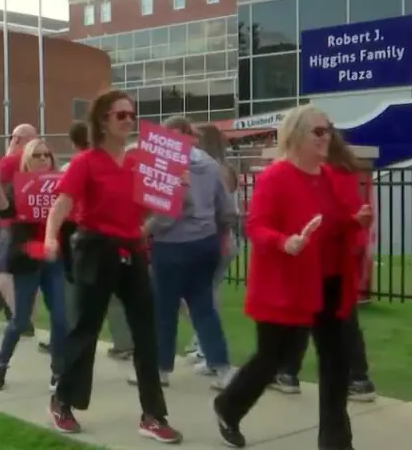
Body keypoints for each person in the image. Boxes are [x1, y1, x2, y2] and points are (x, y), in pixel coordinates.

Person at [213, 105, 372, 449]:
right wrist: (285, 242)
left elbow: (330, 224)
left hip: (329, 282)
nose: (326, 136)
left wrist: (353, 221)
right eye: (318, 131)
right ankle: (228, 406)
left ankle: (335, 441)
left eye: (328, 129)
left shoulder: (328, 176)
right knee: (272, 359)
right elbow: (255, 226)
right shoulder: (275, 177)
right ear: (296, 135)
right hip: (288, 286)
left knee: (336, 361)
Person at [42, 89, 181, 443]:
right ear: (103, 121)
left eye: (132, 115)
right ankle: (62, 401)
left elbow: (149, 211)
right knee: (86, 329)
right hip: (95, 247)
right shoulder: (86, 162)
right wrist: (50, 238)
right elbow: (62, 204)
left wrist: (172, 190)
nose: (129, 121)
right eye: (121, 115)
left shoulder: (138, 164)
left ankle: (153, 414)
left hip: (132, 250)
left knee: (146, 332)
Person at [272, 131, 377, 402]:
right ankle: (358, 377)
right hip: (342, 253)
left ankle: (289, 372)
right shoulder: (344, 171)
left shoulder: (322, 174)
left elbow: (323, 217)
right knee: (340, 317)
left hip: (322, 254)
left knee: (305, 316)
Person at [137, 116, 236, 390]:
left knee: (164, 309)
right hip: (205, 243)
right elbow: (226, 210)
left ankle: (160, 370)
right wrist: (221, 237)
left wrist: (145, 229)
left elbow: (166, 215)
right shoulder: (211, 164)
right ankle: (222, 368)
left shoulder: (166, 166)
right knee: (204, 308)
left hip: (171, 245)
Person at [0, 139, 68, 391]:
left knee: (61, 317)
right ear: (27, 160)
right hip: (28, 259)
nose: (44, 159)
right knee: (21, 320)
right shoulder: (18, 187)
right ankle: (1, 364)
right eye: (38, 155)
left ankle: (58, 371)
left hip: (54, 259)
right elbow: (4, 209)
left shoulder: (61, 186)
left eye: (48, 155)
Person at [65, 119, 135, 361]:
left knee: (80, 298)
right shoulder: (114, 163)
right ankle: (123, 342)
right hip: (115, 239)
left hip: (83, 239)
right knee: (114, 296)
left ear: (74, 142)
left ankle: (74, 346)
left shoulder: (76, 165)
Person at [184, 124, 240, 365]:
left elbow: (222, 211)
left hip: (215, 240)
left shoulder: (214, 171)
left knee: (200, 297)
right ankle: (202, 341)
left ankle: (206, 347)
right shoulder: (222, 169)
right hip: (219, 240)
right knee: (202, 295)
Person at [0, 123, 39, 336]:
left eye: (12, 138)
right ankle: (30, 317)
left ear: (16, 140)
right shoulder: (42, 161)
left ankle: (21, 317)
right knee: (29, 272)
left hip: (10, 224)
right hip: (35, 225)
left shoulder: (9, 162)